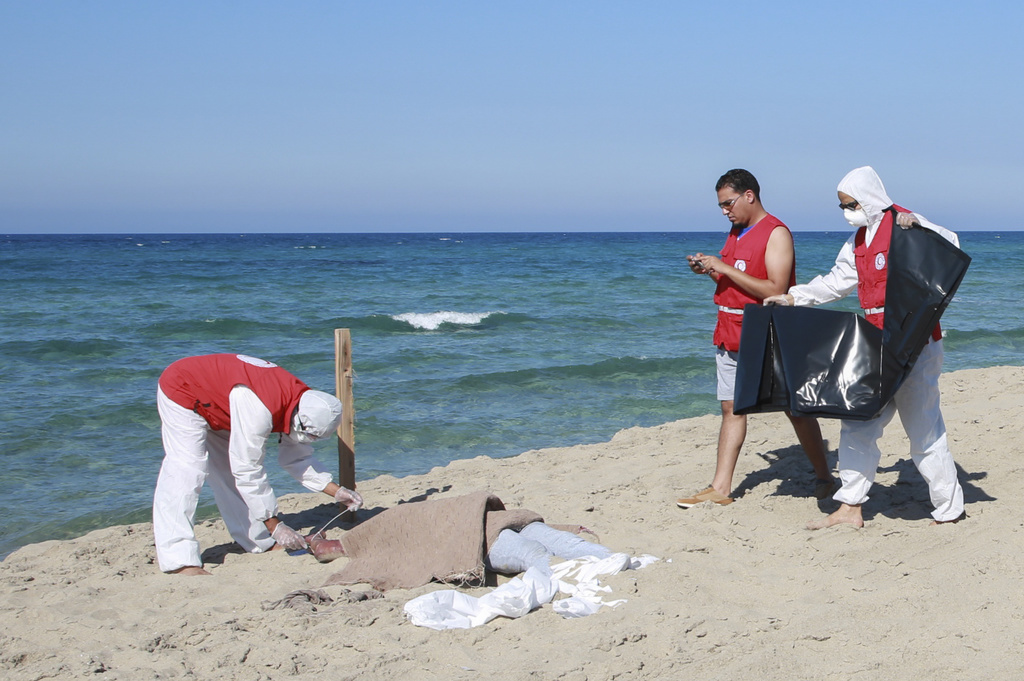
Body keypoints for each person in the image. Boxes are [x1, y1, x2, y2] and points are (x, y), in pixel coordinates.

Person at [764, 166, 965, 529]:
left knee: (923, 427)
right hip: (874, 343)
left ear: (869, 198)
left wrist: (918, 223)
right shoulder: (858, 240)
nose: (847, 212)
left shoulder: (905, 225)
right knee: (857, 422)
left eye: (851, 204)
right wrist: (794, 298)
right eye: (842, 205)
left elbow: (951, 244)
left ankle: (949, 509)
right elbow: (837, 282)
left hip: (915, 343)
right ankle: (850, 506)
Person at [676, 169, 833, 508]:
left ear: (749, 195)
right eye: (720, 205)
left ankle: (824, 476)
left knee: (796, 410)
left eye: (728, 203)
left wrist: (725, 267)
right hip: (729, 332)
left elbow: (775, 288)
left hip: (767, 333)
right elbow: (736, 284)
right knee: (731, 408)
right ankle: (720, 487)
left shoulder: (776, 233)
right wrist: (710, 270)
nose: (724, 211)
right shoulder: (736, 232)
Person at [153, 353, 364, 575]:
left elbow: (297, 458)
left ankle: (258, 541)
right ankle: (179, 560)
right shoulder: (259, 409)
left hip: (221, 402)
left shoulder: (307, 406)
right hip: (184, 388)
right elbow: (247, 469)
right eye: (307, 435)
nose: (307, 441)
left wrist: (337, 491)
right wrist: (275, 525)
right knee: (188, 469)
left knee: (226, 471)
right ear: (299, 420)